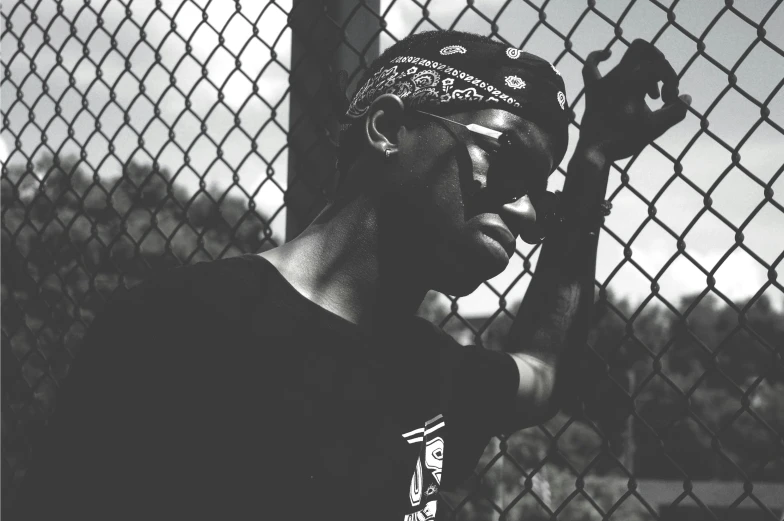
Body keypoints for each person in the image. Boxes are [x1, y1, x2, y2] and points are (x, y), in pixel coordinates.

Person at [13, 30, 690, 520]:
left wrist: (593, 161)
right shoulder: (174, 332)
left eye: (541, 195)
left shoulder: (429, 371)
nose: (526, 212)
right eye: (507, 162)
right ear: (389, 128)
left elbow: (543, 367)